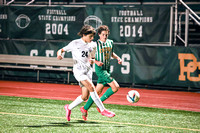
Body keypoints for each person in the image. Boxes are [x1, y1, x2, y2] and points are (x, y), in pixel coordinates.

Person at [57, 25, 115, 121]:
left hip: (88, 71)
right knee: (92, 87)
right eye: (90, 36)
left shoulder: (92, 45)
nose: (92, 39)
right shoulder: (75, 43)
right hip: (78, 71)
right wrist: (59, 54)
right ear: (84, 35)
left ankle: (68, 107)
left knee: (85, 96)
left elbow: (91, 58)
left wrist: (95, 61)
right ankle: (103, 110)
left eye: (93, 37)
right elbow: (61, 50)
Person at [80, 25, 122, 121]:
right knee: (115, 87)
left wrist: (118, 58)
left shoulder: (110, 42)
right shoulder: (95, 44)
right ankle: (100, 106)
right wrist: (96, 62)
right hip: (100, 70)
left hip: (107, 69)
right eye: (103, 34)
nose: (105, 36)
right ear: (99, 34)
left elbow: (111, 53)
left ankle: (84, 108)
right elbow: (89, 57)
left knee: (97, 92)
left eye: (106, 35)